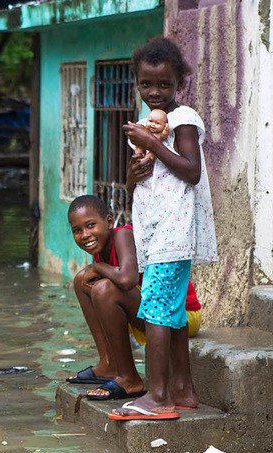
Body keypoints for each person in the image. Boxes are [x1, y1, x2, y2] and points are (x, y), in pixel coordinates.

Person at [109, 36, 217, 421]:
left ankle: (157, 398)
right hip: (156, 234)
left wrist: (150, 145)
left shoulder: (183, 119)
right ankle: (183, 390)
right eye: (146, 85)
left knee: (155, 309)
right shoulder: (144, 128)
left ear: (179, 85)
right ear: (136, 83)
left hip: (176, 231)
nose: (155, 93)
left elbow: (190, 171)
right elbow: (141, 186)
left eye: (164, 85)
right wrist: (133, 175)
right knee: (169, 313)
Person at [66, 195, 203, 401]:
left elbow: (127, 279)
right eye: (77, 230)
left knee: (103, 288)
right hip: (149, 311)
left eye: (91, 225)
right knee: (81, 281)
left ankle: (130, 378)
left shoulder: (122, 236)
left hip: (180, 315)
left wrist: (98, 267)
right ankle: (108, 363)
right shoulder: (100, 249)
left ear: (109, 222)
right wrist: (96, 267)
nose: (85, 235)